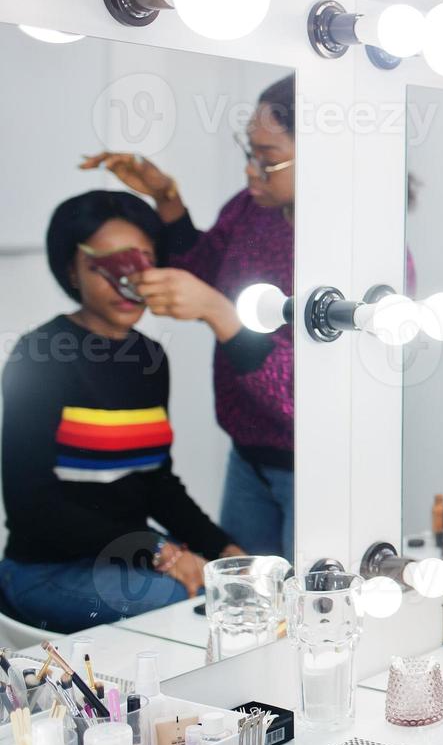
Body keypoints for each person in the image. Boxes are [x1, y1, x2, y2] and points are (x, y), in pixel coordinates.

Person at [0, 191, 246, 632]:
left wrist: (226, 549)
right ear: (72, 270)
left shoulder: (150, 358)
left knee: (233, 585)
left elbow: (157, 483)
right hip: (48, 570)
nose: (126, 282)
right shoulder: (39, 354)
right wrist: (158, 551)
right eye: (105, 265)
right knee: (188, 603)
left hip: (132, 557)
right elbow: (30, 502)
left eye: (141, 263)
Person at [81, 75, 295, 559]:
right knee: (250, 611)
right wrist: (167, 200)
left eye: (267, 158)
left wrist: (221, 315)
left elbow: (304, 400)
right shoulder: (250, 211)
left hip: (315, 466)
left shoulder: (361, 249)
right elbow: (199, 269)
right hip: (247, 459)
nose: (250, 172)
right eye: (249, 151)